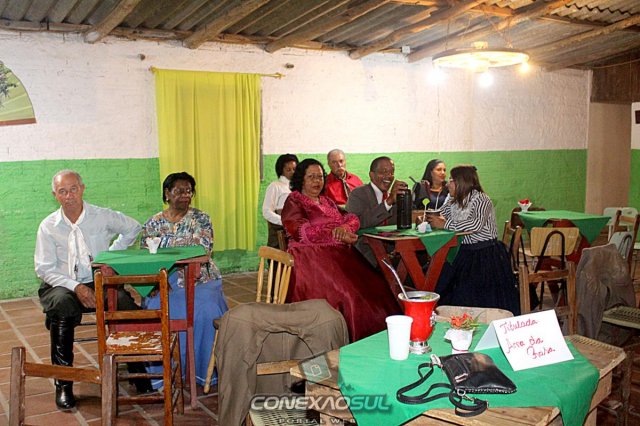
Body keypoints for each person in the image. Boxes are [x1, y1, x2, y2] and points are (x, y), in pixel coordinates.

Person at [35, 170, 147, 410]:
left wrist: (110, 258)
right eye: (62, 191)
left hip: (97, 281)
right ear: (55, 195)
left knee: (123, 302)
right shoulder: (48, 226)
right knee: (62, 306)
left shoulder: (101, 216)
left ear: (82, 189)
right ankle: (64, 384)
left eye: (73, 189)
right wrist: (76, 287)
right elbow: (44, 269)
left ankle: (138, 371)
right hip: (62, 284)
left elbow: (133, 227)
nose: (69, 196)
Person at [281, 159, 400, 341]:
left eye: (320, 177)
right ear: (301, 179)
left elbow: (352, 218)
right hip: (311, 260)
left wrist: (344, 229)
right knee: (349, 295)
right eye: (311, 177)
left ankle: (380, 340)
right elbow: (302, 233)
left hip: (340, 257)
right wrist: (336, 234)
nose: (317, 181)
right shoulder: (294, 201)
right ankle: (350, 341)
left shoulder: (326, 201)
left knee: (376, 286)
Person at [141, 171, 228, 388]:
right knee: (156, 306)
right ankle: (165, 374)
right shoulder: (153, 223)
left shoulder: (201, 219)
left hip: (201, 278)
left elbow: (203, 252)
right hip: (165, 278)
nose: (185, 195)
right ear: (167, 194)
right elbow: (146, 255)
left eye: (189, 191)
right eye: (179, 191)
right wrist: (156, 281)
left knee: (206, 310)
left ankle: (203, 372)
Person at [427, 165, 520, 314]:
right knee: (440, 277)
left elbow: (475, 224)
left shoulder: (481, 199)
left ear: (462, 182)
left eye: (451, 180)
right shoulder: (453, 200)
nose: (447, 184)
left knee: (471, 294)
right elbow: (441, 214)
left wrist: (445, 224)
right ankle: (441, 312)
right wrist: (428, 217)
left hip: (484, 254)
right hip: (464, 251)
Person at [346, 156, 408, 265]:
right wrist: (388, 202)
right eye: (383, 172)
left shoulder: (395, 197)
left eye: (392, 172)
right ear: (372, 175)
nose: (388, 176)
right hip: (366, 253)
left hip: (393, 251)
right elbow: (358, 223)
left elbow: (399, 228)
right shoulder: (358, 194)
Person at [262, 154, 298, 248]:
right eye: (288, 169)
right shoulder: (275, 186)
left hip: (296, 233)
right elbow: (266, 211)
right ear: (281, 170)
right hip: (280, 233)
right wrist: (284, 221)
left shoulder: (298, 187)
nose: (292, 172)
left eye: (294, 169)